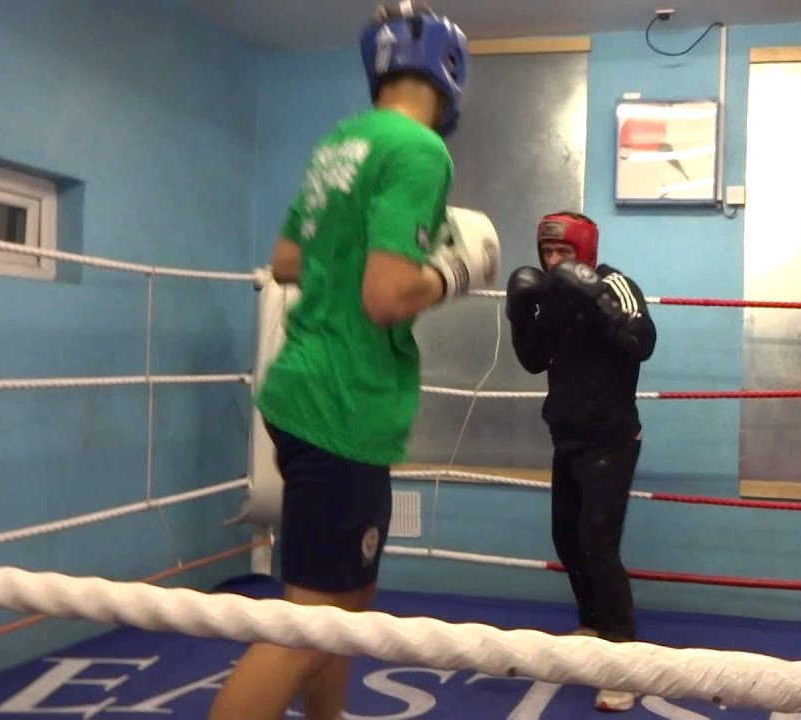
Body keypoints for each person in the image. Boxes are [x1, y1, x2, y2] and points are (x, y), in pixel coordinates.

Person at [208, 5, 500, 720]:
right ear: (450, 71)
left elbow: (285, 262)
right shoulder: (421, 151)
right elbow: (386, 296)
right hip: (343, 405)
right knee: (311, 625)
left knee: (343, 609)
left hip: (304, 393)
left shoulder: (341, 142)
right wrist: (454, 272)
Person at [505, 211, 657, 712]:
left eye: (561, 254)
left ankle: (620, 659)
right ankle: (591, 624)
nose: (551, 262)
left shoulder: (617, 284)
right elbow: (533, 361)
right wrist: (519, 314)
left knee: (596, 541)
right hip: (567, 437)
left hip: (611, 440)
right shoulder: (550, 296)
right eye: (546, 253)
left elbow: (643, 342)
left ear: (584, 253)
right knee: (566, 538)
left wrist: (596, 298)